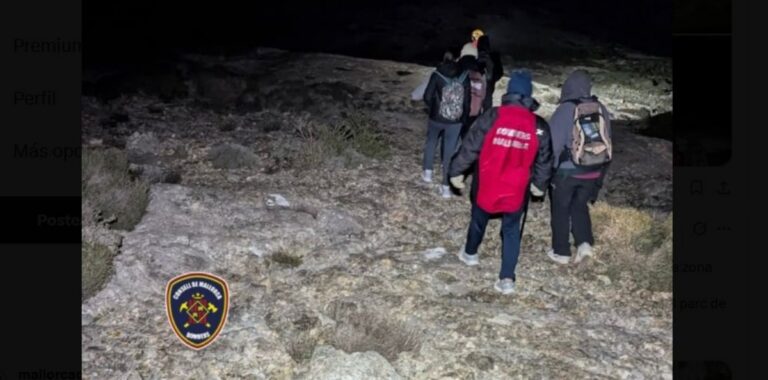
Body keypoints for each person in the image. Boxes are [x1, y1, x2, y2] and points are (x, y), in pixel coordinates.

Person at [448, 70, 553, 294]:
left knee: (478, 219)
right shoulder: (539, 125)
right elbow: (545, 159)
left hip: (488, 181)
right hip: (517, 188)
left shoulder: (493, 116)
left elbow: (471, 145)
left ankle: (470, 253)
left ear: (510, 92)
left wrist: (456, 171)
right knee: (512, 230)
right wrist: (539, 184)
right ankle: (507, 278)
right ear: (528, 96)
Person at [546, 70, 613, 265]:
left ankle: (561, 251)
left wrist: (548, 172)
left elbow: (553, 145)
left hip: (567, 172)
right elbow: (608, 141)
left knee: (560, 208)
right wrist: (600, 177)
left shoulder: (565, 109)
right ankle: (584, 244)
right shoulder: (601, 109)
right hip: (593, 169)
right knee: (579, 206)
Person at [422, 50, 471, 198]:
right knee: (449, 151)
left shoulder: (437, 74)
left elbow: (427, 96)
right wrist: (463, 118)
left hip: (436, 118)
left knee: (431, 142)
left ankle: (428, 173)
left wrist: (434, 108)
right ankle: (445, 187)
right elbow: (467, 101)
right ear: (457, 59)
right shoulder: (464, 76)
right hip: (455, 121)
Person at [457, 54, 486, 140]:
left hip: (462, 110)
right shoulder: (480, 77)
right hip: (475, 110)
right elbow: (483, 95)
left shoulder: (462, 75)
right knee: (468, 135)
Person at [476, 35, 504, 112]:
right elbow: (499, 73)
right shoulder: (494, 57)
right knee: (487, 110)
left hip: (475, 90)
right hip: (488, 88)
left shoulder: (474, 57)